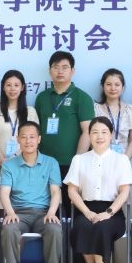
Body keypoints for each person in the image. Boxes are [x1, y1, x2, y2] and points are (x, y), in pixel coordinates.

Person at [64, 117, 132, 263]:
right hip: (86, 208)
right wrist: (87, 212)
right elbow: (72, 191)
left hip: (113, 212)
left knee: (102, 228)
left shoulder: (121, 160)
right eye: (95, 132)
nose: (99, 136)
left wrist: (108, 213)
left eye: (104, 132)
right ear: (89, 135)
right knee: (82, 227)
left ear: (111, 135)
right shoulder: (79, 159)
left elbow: (125, 192)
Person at [0, 121, 66, 263]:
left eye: (32, 137)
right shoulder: (9, 165)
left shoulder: (51, 163)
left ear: (39, 139)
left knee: (54, 228)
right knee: (9, 229)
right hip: (18, 213)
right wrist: (10, 212)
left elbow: (56, 191)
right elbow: (4, 193)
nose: (28, 141)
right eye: (24, 137)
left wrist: (52, 212)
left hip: (43, 213)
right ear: (18, 139)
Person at [34, 51, 95, 179]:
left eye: (65, 67)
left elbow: (87, 131)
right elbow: (35, 130)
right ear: (50, 71)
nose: (60, 71)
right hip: (43, 162)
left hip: (70, 163)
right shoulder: (42, 97)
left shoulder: (82, 97)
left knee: (69, 193)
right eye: (56, 67)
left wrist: (78, 161)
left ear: (72, 71)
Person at [0, 70, 39, 184]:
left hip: (24, 163)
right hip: (0, 164)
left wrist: (14, 160)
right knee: (0, 193)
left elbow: (33, 140)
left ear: (22, 87)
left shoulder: (31, 111)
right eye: (8, 85)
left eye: (16, 85)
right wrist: (2, 161)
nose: (12, 89)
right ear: (3, 87)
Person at [94, 68, 132, 159]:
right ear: (103, 87)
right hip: (101, 159)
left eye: (117, 84)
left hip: (125, 159)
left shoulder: (129, 110)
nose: (113, 88)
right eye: (108, 84)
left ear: (122, 88)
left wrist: (124, 160)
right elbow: (91, 137)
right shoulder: (96, 109)